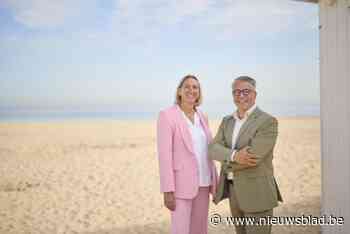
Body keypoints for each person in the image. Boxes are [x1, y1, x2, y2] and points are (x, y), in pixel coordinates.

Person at [208, 76, 283, 234]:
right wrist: (234, 155)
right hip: (234, 192)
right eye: (236, 92)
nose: (241, 95)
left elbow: (254, 157)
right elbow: (212, 148)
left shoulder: (267, 121)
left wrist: (226, 160)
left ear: (255, 94)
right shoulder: (227, 121)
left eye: (246, 91)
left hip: (258, 192)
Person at [157, 74, 218, 234]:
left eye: (195, 87)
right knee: (180, 230)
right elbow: (165, 155)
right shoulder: (167, 115)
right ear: (179, 91)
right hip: (180, 186)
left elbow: (207, 149)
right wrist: (167, 190)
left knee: (199, 229)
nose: (191, 90)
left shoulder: (202, 117)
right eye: (187, 87)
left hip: (204, 182)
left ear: (199, 92)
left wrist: (214, 179)